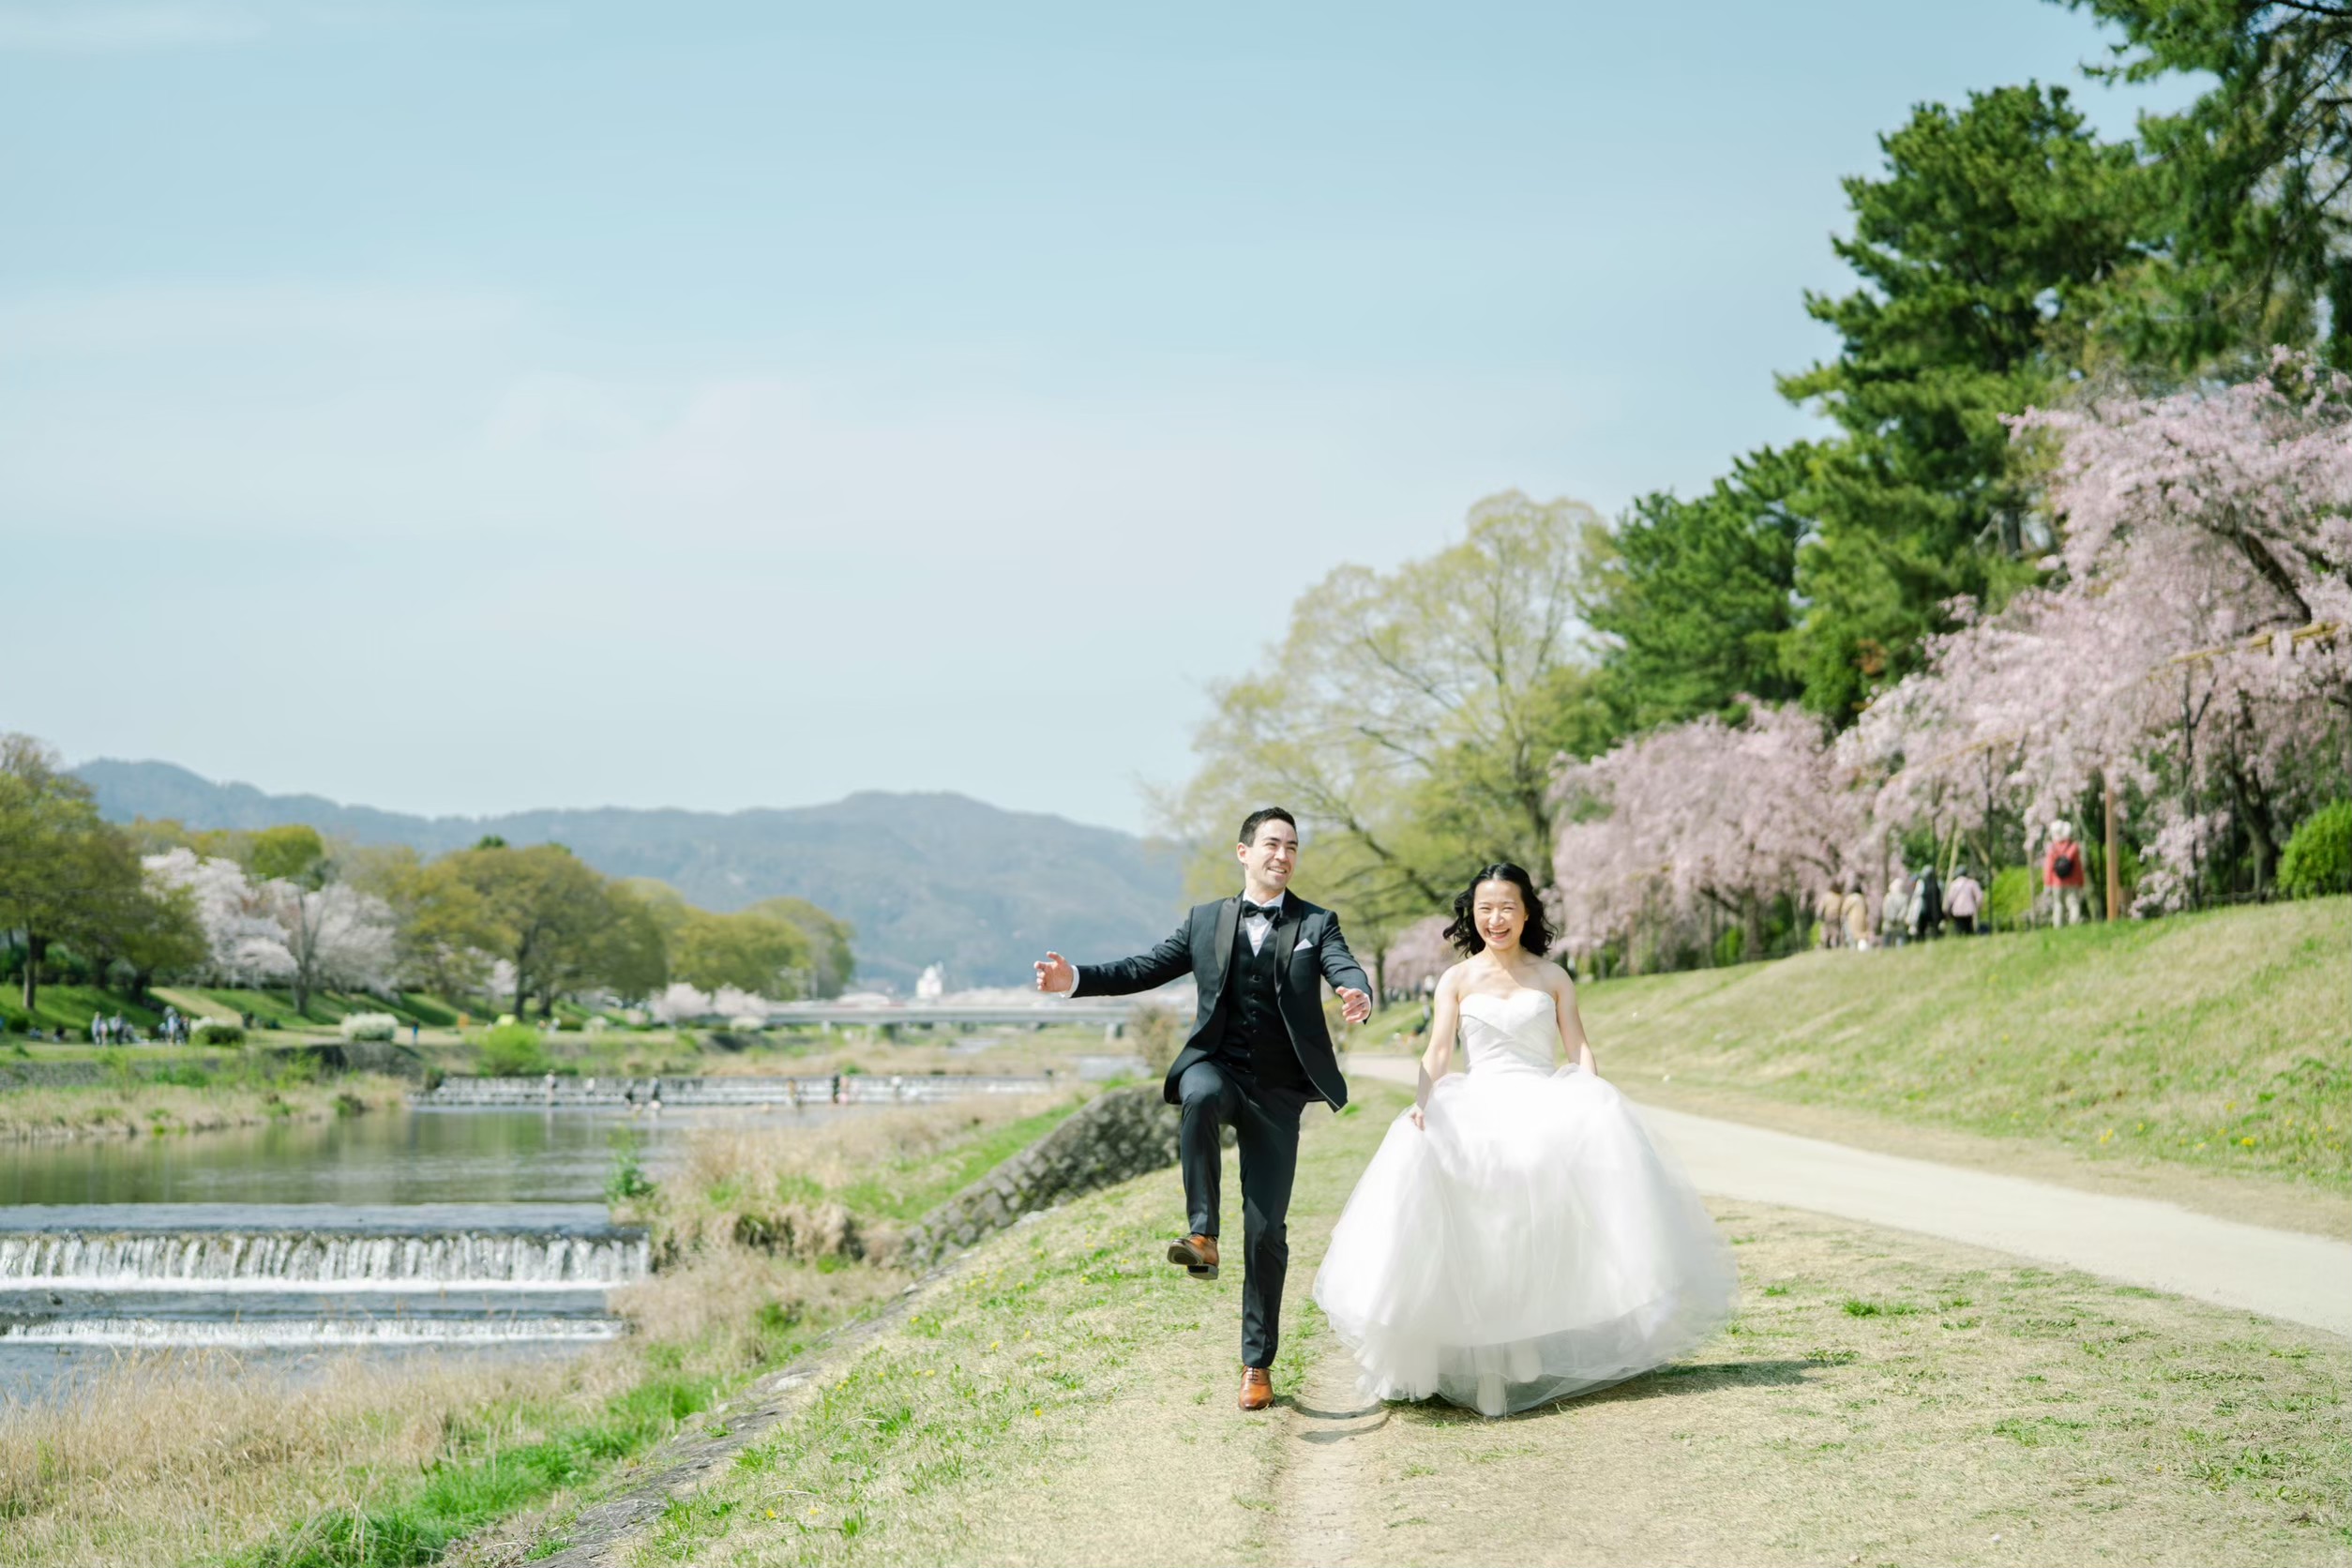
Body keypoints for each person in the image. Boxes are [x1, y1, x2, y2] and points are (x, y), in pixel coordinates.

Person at [1313, 863, 1737, 1418]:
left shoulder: (1553, 977)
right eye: (1485, 909)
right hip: (1480, 1102)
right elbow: (1439, 1051)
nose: (1496, 919)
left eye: (1507, 907)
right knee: (1485, 1222)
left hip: (1543, 1102)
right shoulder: (1457, 979)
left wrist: (1590, 1090)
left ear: (1527, 911)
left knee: (1537, 1223)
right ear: (1473, 914)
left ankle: (1530, 1339)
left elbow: (1578, 1047)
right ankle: (1491, 1357)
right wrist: (1423, 1101)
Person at [1033, 806, 1373, 1412]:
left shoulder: (1318, 924)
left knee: (1268, 1232)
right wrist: (1075, 979)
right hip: (1218, 1064)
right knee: (1199, 1092)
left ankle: (1256, 1364)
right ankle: (1202, 1233)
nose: (1283, 855)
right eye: (1271, 844)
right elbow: (1145, 968)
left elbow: (1341, 964)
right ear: (1244, 853)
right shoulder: (1205, 920)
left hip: (1279, 1090)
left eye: (1292, 847)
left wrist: (1356, 989)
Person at [2044, 821, 2088, 926]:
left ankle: (2058, 925)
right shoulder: (2073, 847)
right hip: (2072, 882)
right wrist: (2081, 882)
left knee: (2058, 904)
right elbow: (2078, 868)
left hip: (2056, 882)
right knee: (2073, 903)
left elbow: (2049, 867)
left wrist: (2047, 883)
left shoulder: (2052, 848)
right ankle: (2074, 924)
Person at [1946, 867, 1983, 935]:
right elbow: (1979, 896)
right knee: (1969, 928)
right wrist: (1979, 906)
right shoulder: (1972, 883)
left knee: (1959, 929)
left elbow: (1950, 898)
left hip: (1957, 910)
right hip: (1969, 910)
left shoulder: (1953, 884)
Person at [1840, 882, 1872, 950]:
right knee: (1861, 935)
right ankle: (1863, 948)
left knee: (1852, 935)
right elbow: (1867, 910)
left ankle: (1853, 948)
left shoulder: (1851, 897)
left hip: (1852, 919)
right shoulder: (1862, 898)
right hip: (1863, 919)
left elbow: (1844, 909)